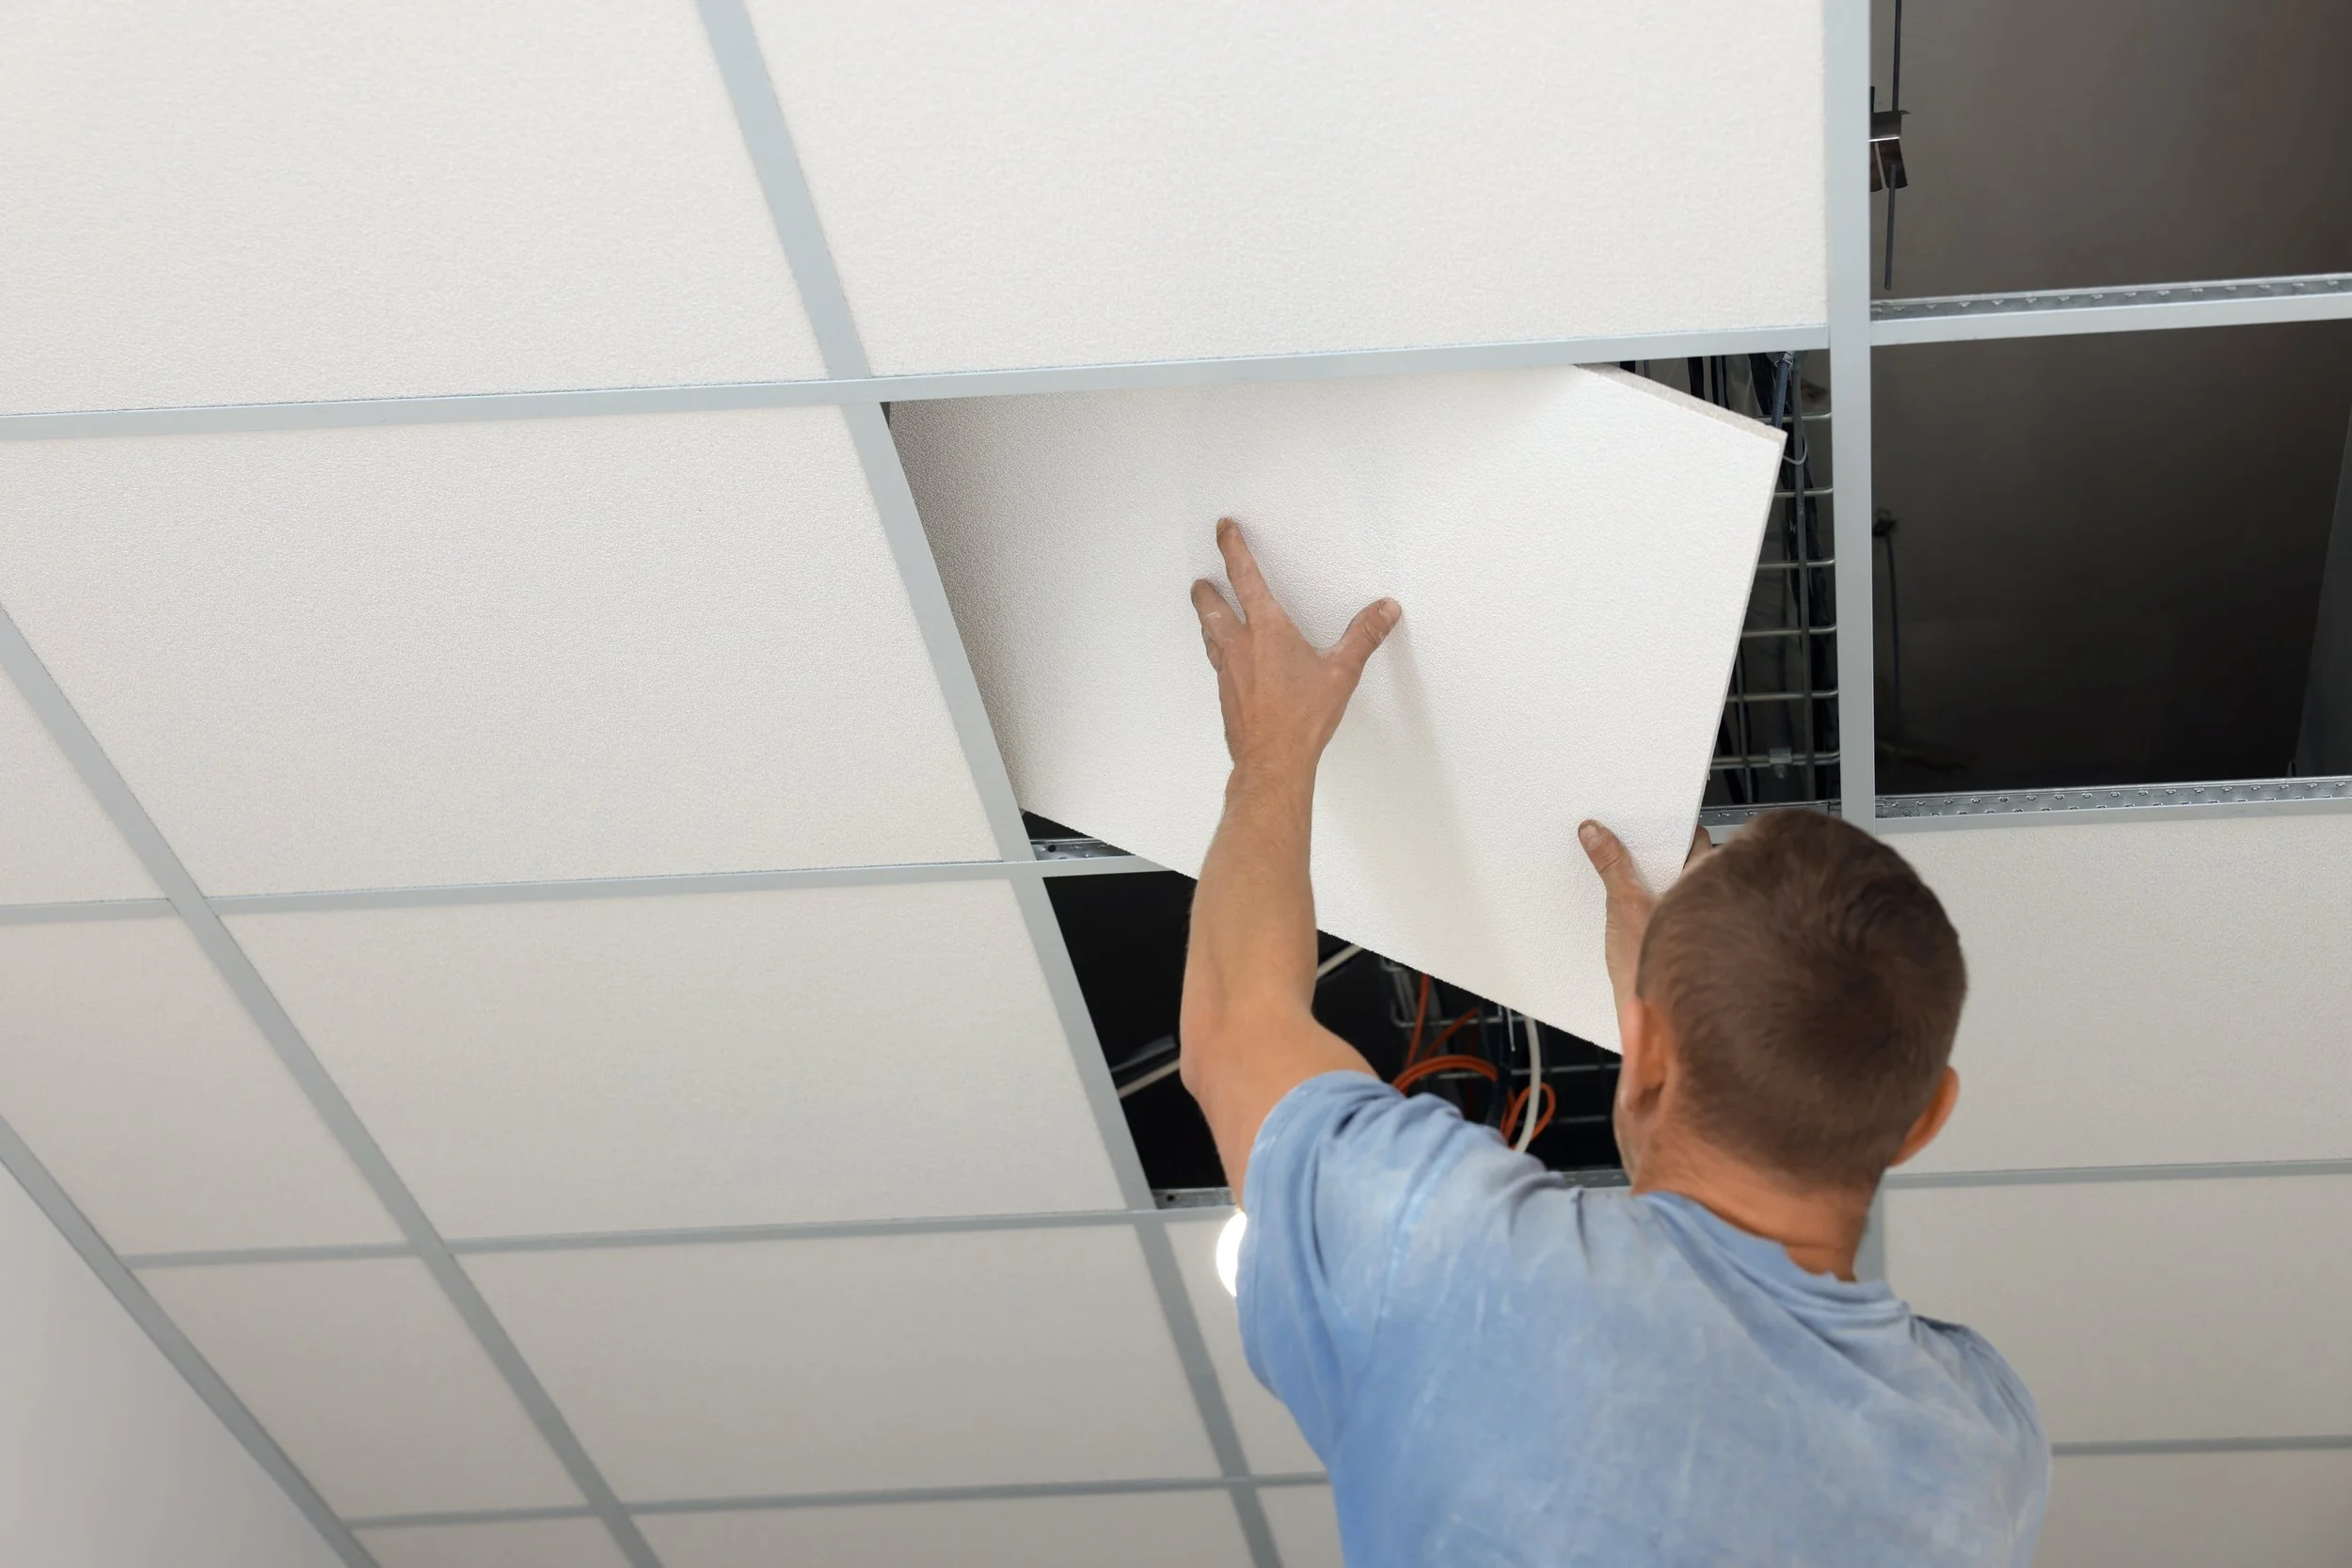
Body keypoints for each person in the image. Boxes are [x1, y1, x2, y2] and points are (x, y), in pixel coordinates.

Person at [1179, 518, 2047, 1566]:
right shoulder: (1981, 1447)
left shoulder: (1452, 1267)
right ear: (1924, 1116)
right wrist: (1666, 1072)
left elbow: (1233, 1032)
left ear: (1647, 1050)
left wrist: (1271, 749)